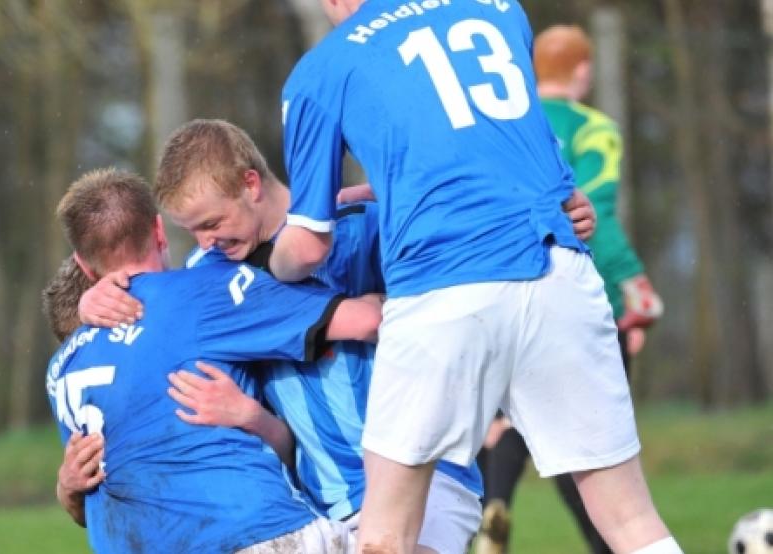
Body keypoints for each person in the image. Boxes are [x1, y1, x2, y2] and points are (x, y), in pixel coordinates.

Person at [267, 2, 680, 553]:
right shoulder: (498, 8)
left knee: (386, 533)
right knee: (630, 521)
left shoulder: (321, 70)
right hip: (557, 268)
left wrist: (273, 263)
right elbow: (494, 146)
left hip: (444, 286)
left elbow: (309, 244)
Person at [75, 119, 488, 553]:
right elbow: (156, 327)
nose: (206, 241)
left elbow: (475, 283)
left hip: (423, 474)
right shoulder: (208, 274)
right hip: (316, 505)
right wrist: (97, 299)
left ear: (250, 183)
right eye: (191, 231)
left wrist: (563, 216)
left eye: (212, 221)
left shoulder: (365, 229)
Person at [43, 167, 382, 553]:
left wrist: (65, 489)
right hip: (253, 533)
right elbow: (365, 321)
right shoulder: (204, 293)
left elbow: (95, 494)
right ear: (158, 230)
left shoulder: (60, 369)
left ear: (85, 267)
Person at [473, 24, 665, 554]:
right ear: (583, 71)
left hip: (499, 285)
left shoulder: (505, 124)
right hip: (577, 291)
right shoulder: (594, 127)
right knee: (591, 441)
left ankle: (496, 501)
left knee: (517, 415)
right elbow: (594, 210)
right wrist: (632, 282)